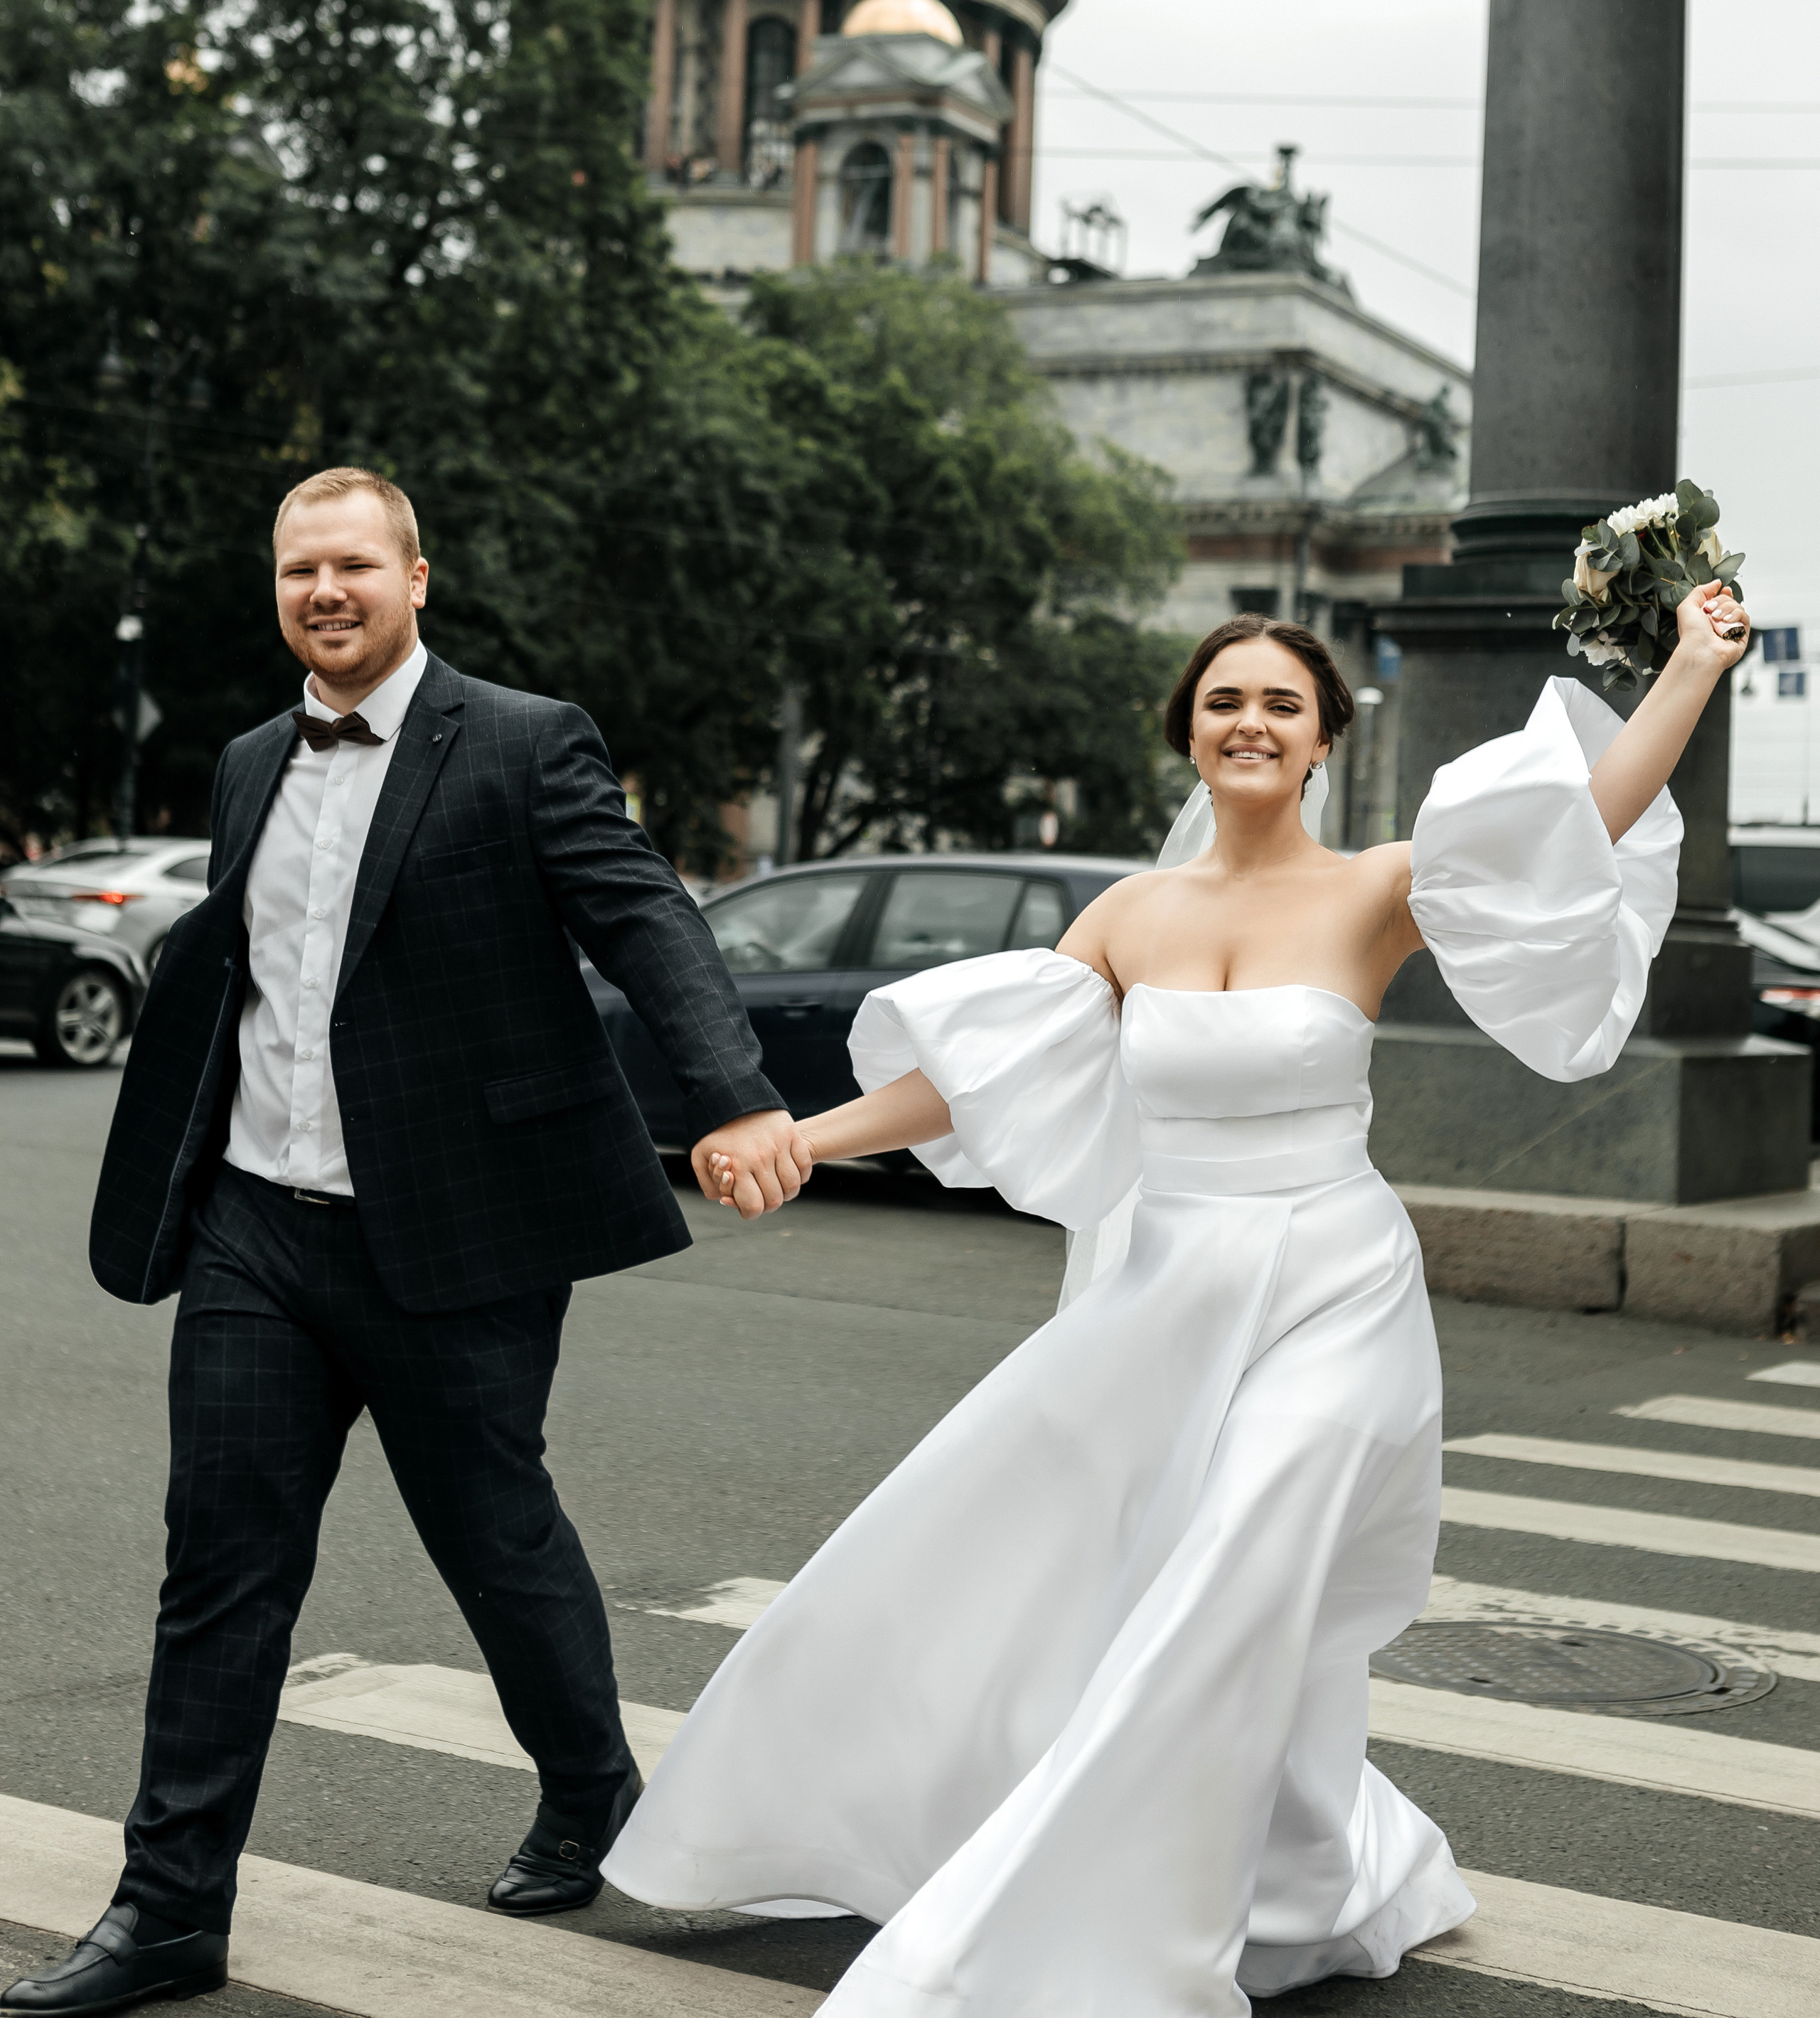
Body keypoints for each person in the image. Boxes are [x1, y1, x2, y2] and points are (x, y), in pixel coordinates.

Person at [606, 585, 1747, 2017]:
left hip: (1335, 1292)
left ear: (1323, 739)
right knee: (1001, 1556)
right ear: (1188, 737)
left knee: (1233, 1588)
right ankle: (1298, 1865)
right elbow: (974, 1078)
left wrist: (1689, 667)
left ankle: (1114, 1944)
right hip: (1165, 1292)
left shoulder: (1376, 889)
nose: (1250, 722)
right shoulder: (1129, 914)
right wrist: (801, 1138)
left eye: (1281, 703)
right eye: (1223, 702)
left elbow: (1577, 822)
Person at [4, 466, 805, 2017]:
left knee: (493, 1536)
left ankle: (590, 1786)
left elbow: (646, 916)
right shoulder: (250, 760)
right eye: (298, 569)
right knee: (219, 1566)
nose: (326, 592)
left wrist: (735, 1096)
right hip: (256, 1226)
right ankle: (168, 1909)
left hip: (456, 1234)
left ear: (415, 578)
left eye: (354, 566)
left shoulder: (523, 740)